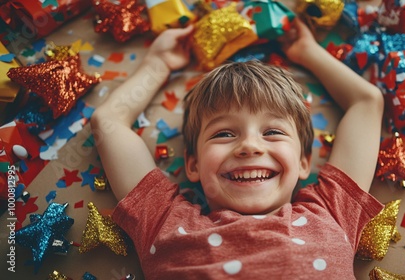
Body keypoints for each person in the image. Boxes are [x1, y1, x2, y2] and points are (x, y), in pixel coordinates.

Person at [90, 18, 384, 279]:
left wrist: (308, 52)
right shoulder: (163, 221)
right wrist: (158, 64)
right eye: (224, 133)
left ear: (304, 162)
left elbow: (367, 102)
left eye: (272, 132)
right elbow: (108, 123)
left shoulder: (332, 212)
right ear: (192, 164)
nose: (249, 146)